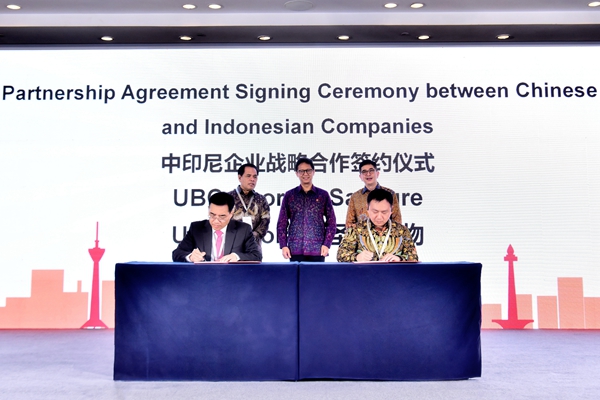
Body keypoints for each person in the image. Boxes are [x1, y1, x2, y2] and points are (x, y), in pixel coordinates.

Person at [172, 192, 262, 262]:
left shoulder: (243, 230)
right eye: (212, 215)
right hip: (202, 277)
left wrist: (236, 257)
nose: (216, 221)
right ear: (208, 209)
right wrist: (191, 257)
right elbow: (177, 253)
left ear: (231, 213)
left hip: (232, 277)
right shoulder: (196, 228)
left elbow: (256, 255)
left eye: (222, 216)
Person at [277, 157, 336, 262]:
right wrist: (283, 245)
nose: (305, 174)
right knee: (296, 273)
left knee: (316, 274)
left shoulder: (323, 195)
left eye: (308, 170)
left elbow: (331, 222)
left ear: (313, 172)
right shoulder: (290, 195)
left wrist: (327, 244)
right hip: (295, 249)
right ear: (297, 173)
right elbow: (282, 223)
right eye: (301, 171)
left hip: (318, 249)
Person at [337, 188, 418, 262]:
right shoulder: (355, 229)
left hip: (393, 273)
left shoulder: (402, 231)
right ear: (367, 208)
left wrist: (399, 258)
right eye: (375, 212)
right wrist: (357, 257)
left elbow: (414, 257)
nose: (379, 217)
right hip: (364, 273)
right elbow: (340, 255)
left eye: (384, 212)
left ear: (392, 210)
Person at [345, 159, 402, 228]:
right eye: (364, 172)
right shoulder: (355, 197)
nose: (368, 174)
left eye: (371, 170)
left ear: (377, 174)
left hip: (386, 234)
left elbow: (397, 220)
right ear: (360, 177)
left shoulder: (390, 194)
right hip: (361, 234)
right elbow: (349, 223)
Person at [227, 163, 270, 249]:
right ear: (240, 177)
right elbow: (222, 220)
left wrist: (252, 237)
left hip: (253, 247)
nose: (252, 179)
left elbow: (265, 222)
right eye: (248, 176)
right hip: (231, 245)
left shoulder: (261, 199)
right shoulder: (228, 198)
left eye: (255, 177)